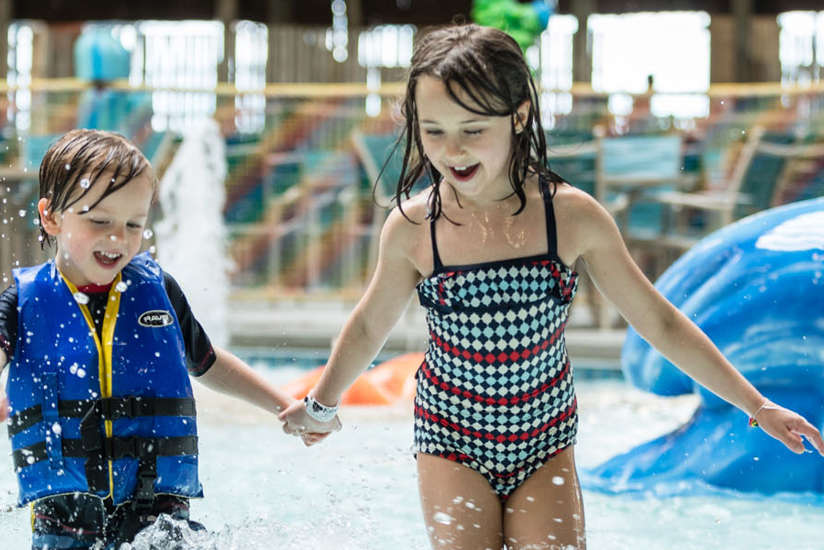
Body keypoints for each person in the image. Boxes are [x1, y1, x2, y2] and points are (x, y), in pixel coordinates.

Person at [278, 24, 824, 550]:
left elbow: (658, 321)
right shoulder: (417, 227)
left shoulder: (570, 216)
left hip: (544, 440)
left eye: (473, 130)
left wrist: (756, 405)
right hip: (450, 436)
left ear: (518, 117)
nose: (453, 150)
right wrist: (322, 405)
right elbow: (371, 323)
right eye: (434, 131)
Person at [0, 129, 331, 549]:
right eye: (99, 221)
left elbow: (208, 362)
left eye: (133, 224)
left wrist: (285, 406)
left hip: (158, 519)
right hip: (66, 524)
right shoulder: (21, 304)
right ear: (51, 217)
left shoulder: (157, 290)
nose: (117, 238)